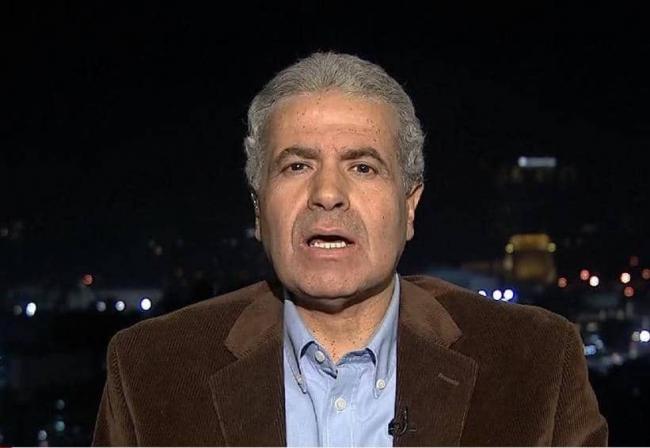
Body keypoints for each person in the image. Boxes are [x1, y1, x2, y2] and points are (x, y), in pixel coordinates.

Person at [93, 52, 607, 446]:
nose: (327, 193)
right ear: (258, 209)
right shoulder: (150, 370)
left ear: (409, 206)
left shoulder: (538, 364)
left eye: (363, 167)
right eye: (297, 166)